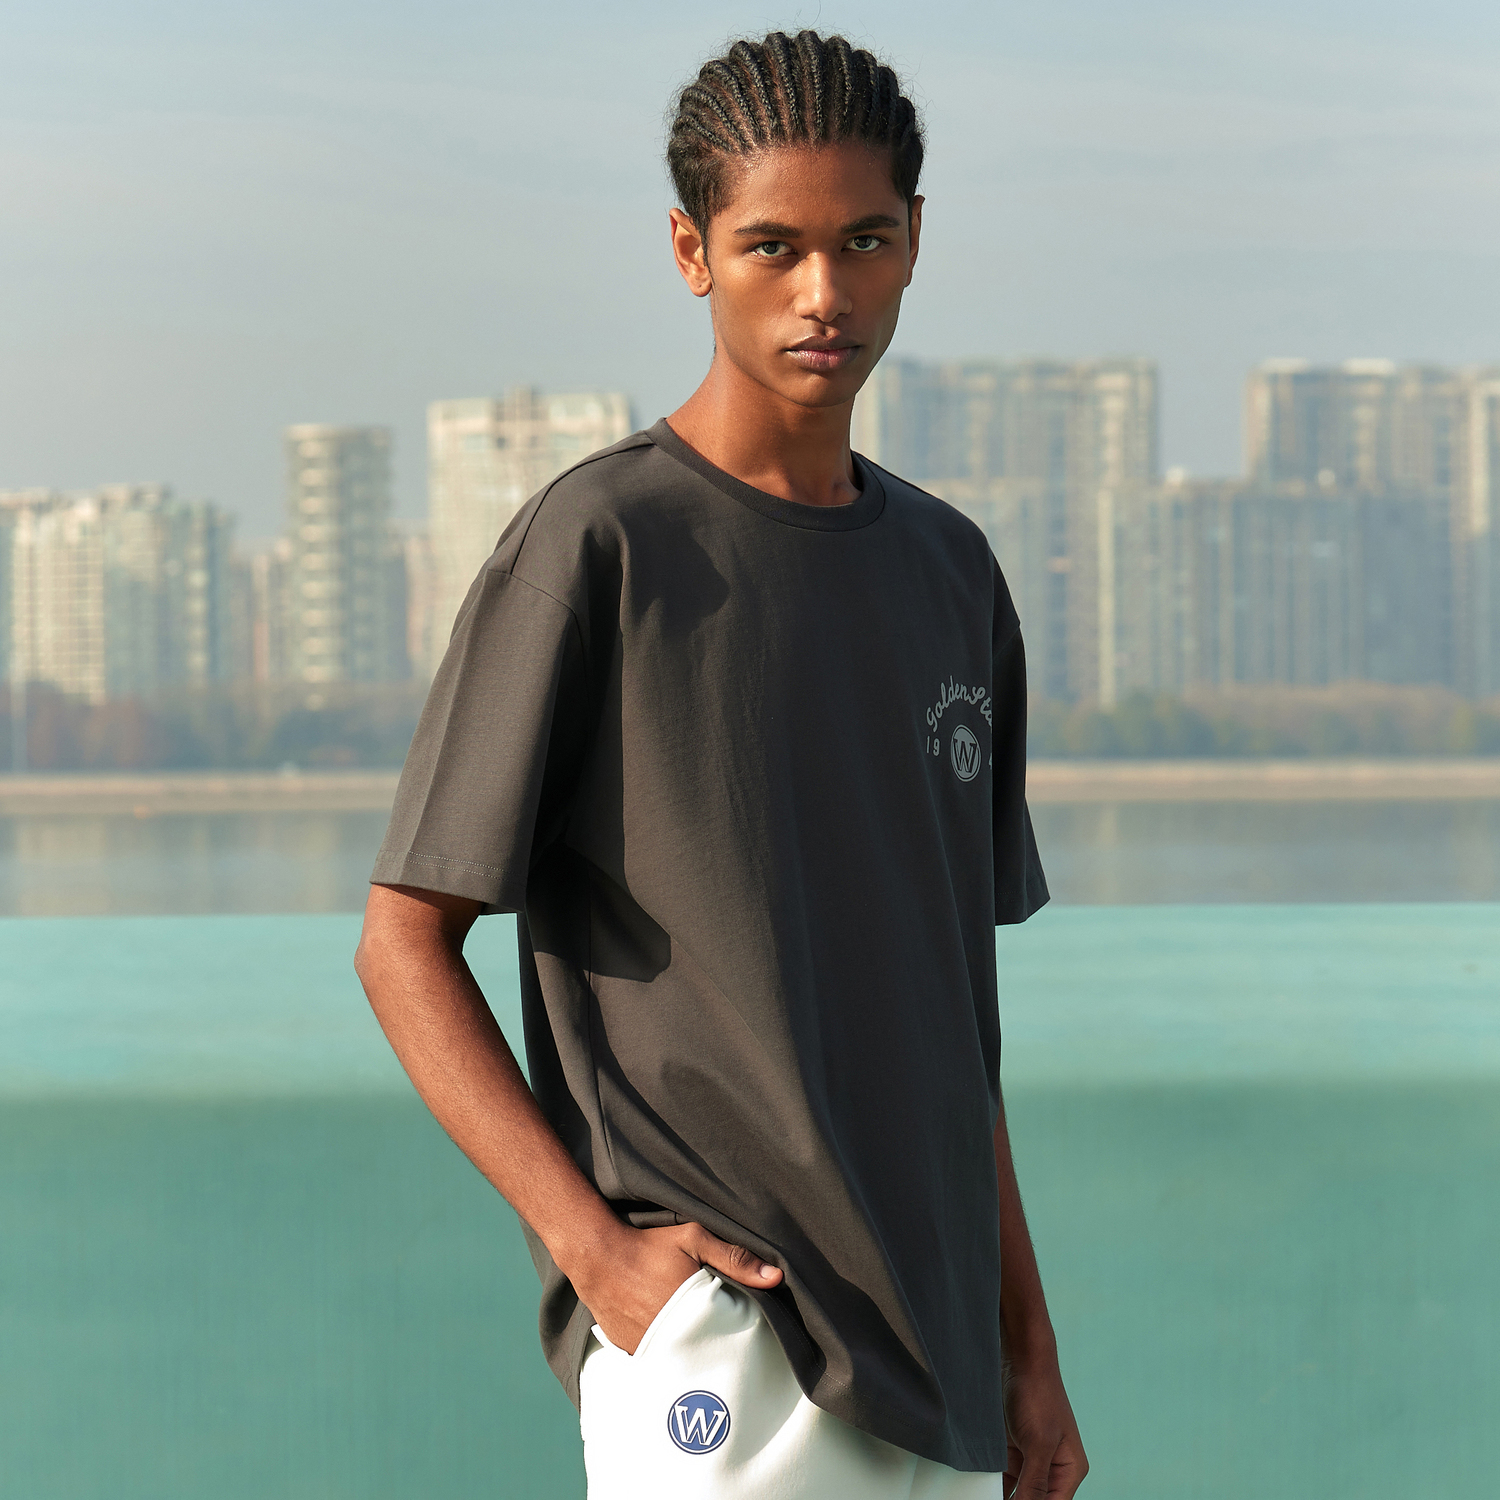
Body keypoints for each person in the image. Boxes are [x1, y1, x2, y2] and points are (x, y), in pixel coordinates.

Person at [355, 29, 1087, 1500]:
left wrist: (1028, 1345)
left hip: (942, 1360)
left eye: (863, 241)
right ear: (693, 253)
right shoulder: (599, 545)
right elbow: (401, 945)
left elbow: (953, 1022)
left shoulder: (953, 573)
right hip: (726, 1345)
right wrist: (599, 1258)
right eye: (774, 248)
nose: (825, 293)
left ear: (915, 241)